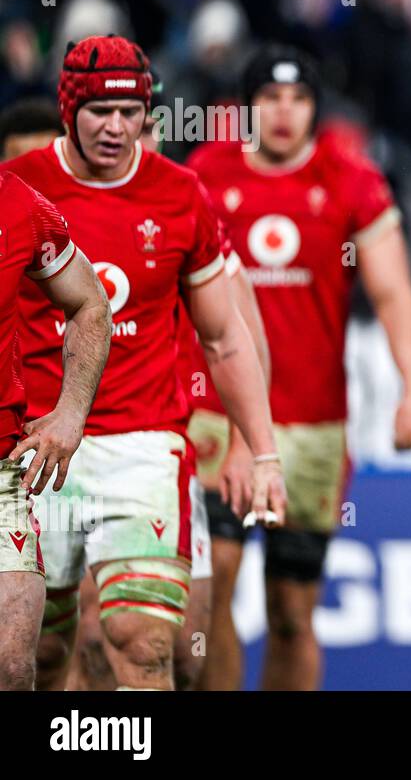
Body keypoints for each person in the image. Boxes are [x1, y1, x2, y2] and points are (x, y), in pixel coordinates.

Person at [9, 35, 283, 691]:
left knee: (146, 645)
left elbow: (225, 336)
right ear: (68, 109)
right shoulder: (19, 190)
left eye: (131, 112)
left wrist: (262, 449)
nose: (117, 127)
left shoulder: (180, 194)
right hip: (34, 448)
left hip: (143, 446)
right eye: (100, 111)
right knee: (35, 658)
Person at [188, 44, 411, 690]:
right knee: (213, 590)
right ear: (246, 108)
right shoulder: (204, 176)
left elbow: (394, 292)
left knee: (292, 613)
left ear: (315, 108)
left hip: (314, 422)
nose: (285, 112)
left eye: (298, 99)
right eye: (270, 98)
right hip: (219, 418)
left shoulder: (351, 180)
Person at [64, 86, 271, 690]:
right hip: (80, 455)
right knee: (90, 639)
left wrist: (243, 444)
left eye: (143, 126)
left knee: (185, 649)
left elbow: (246, 341)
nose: (129, 140)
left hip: (162, 454)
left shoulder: (184, 217)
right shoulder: (64, 223)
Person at [0, 166, 111, 690]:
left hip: (2, 471)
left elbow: (89, 301)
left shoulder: (17, 204)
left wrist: (71, 412)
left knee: (14, 665)